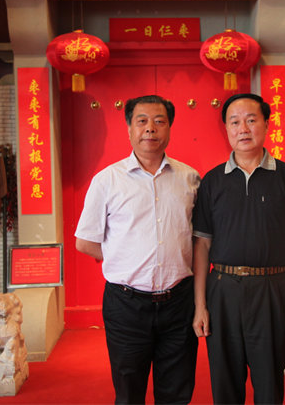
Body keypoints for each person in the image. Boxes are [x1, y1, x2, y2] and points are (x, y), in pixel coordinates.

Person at [75, 95, 200, 404]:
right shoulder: (107, 180)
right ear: (129, 128)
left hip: (179, 302)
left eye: (159, 121)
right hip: (126, 305)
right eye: (141, 121)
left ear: (169, 128)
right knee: (129, 392)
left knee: (177, 391)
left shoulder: (190, 179)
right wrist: (124, 256)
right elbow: (85, 241)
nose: (150, 128)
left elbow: (200, 239)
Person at [192, 93, 285, 404]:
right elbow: (202, 245)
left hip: (273, 290)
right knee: (225, 383)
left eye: (251, 120)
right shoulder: (212, 182)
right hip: (223, 291)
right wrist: (200, 305)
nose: (243, 129)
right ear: (226, 129)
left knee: (269, 382)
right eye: (234, 122)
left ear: (266, 124)